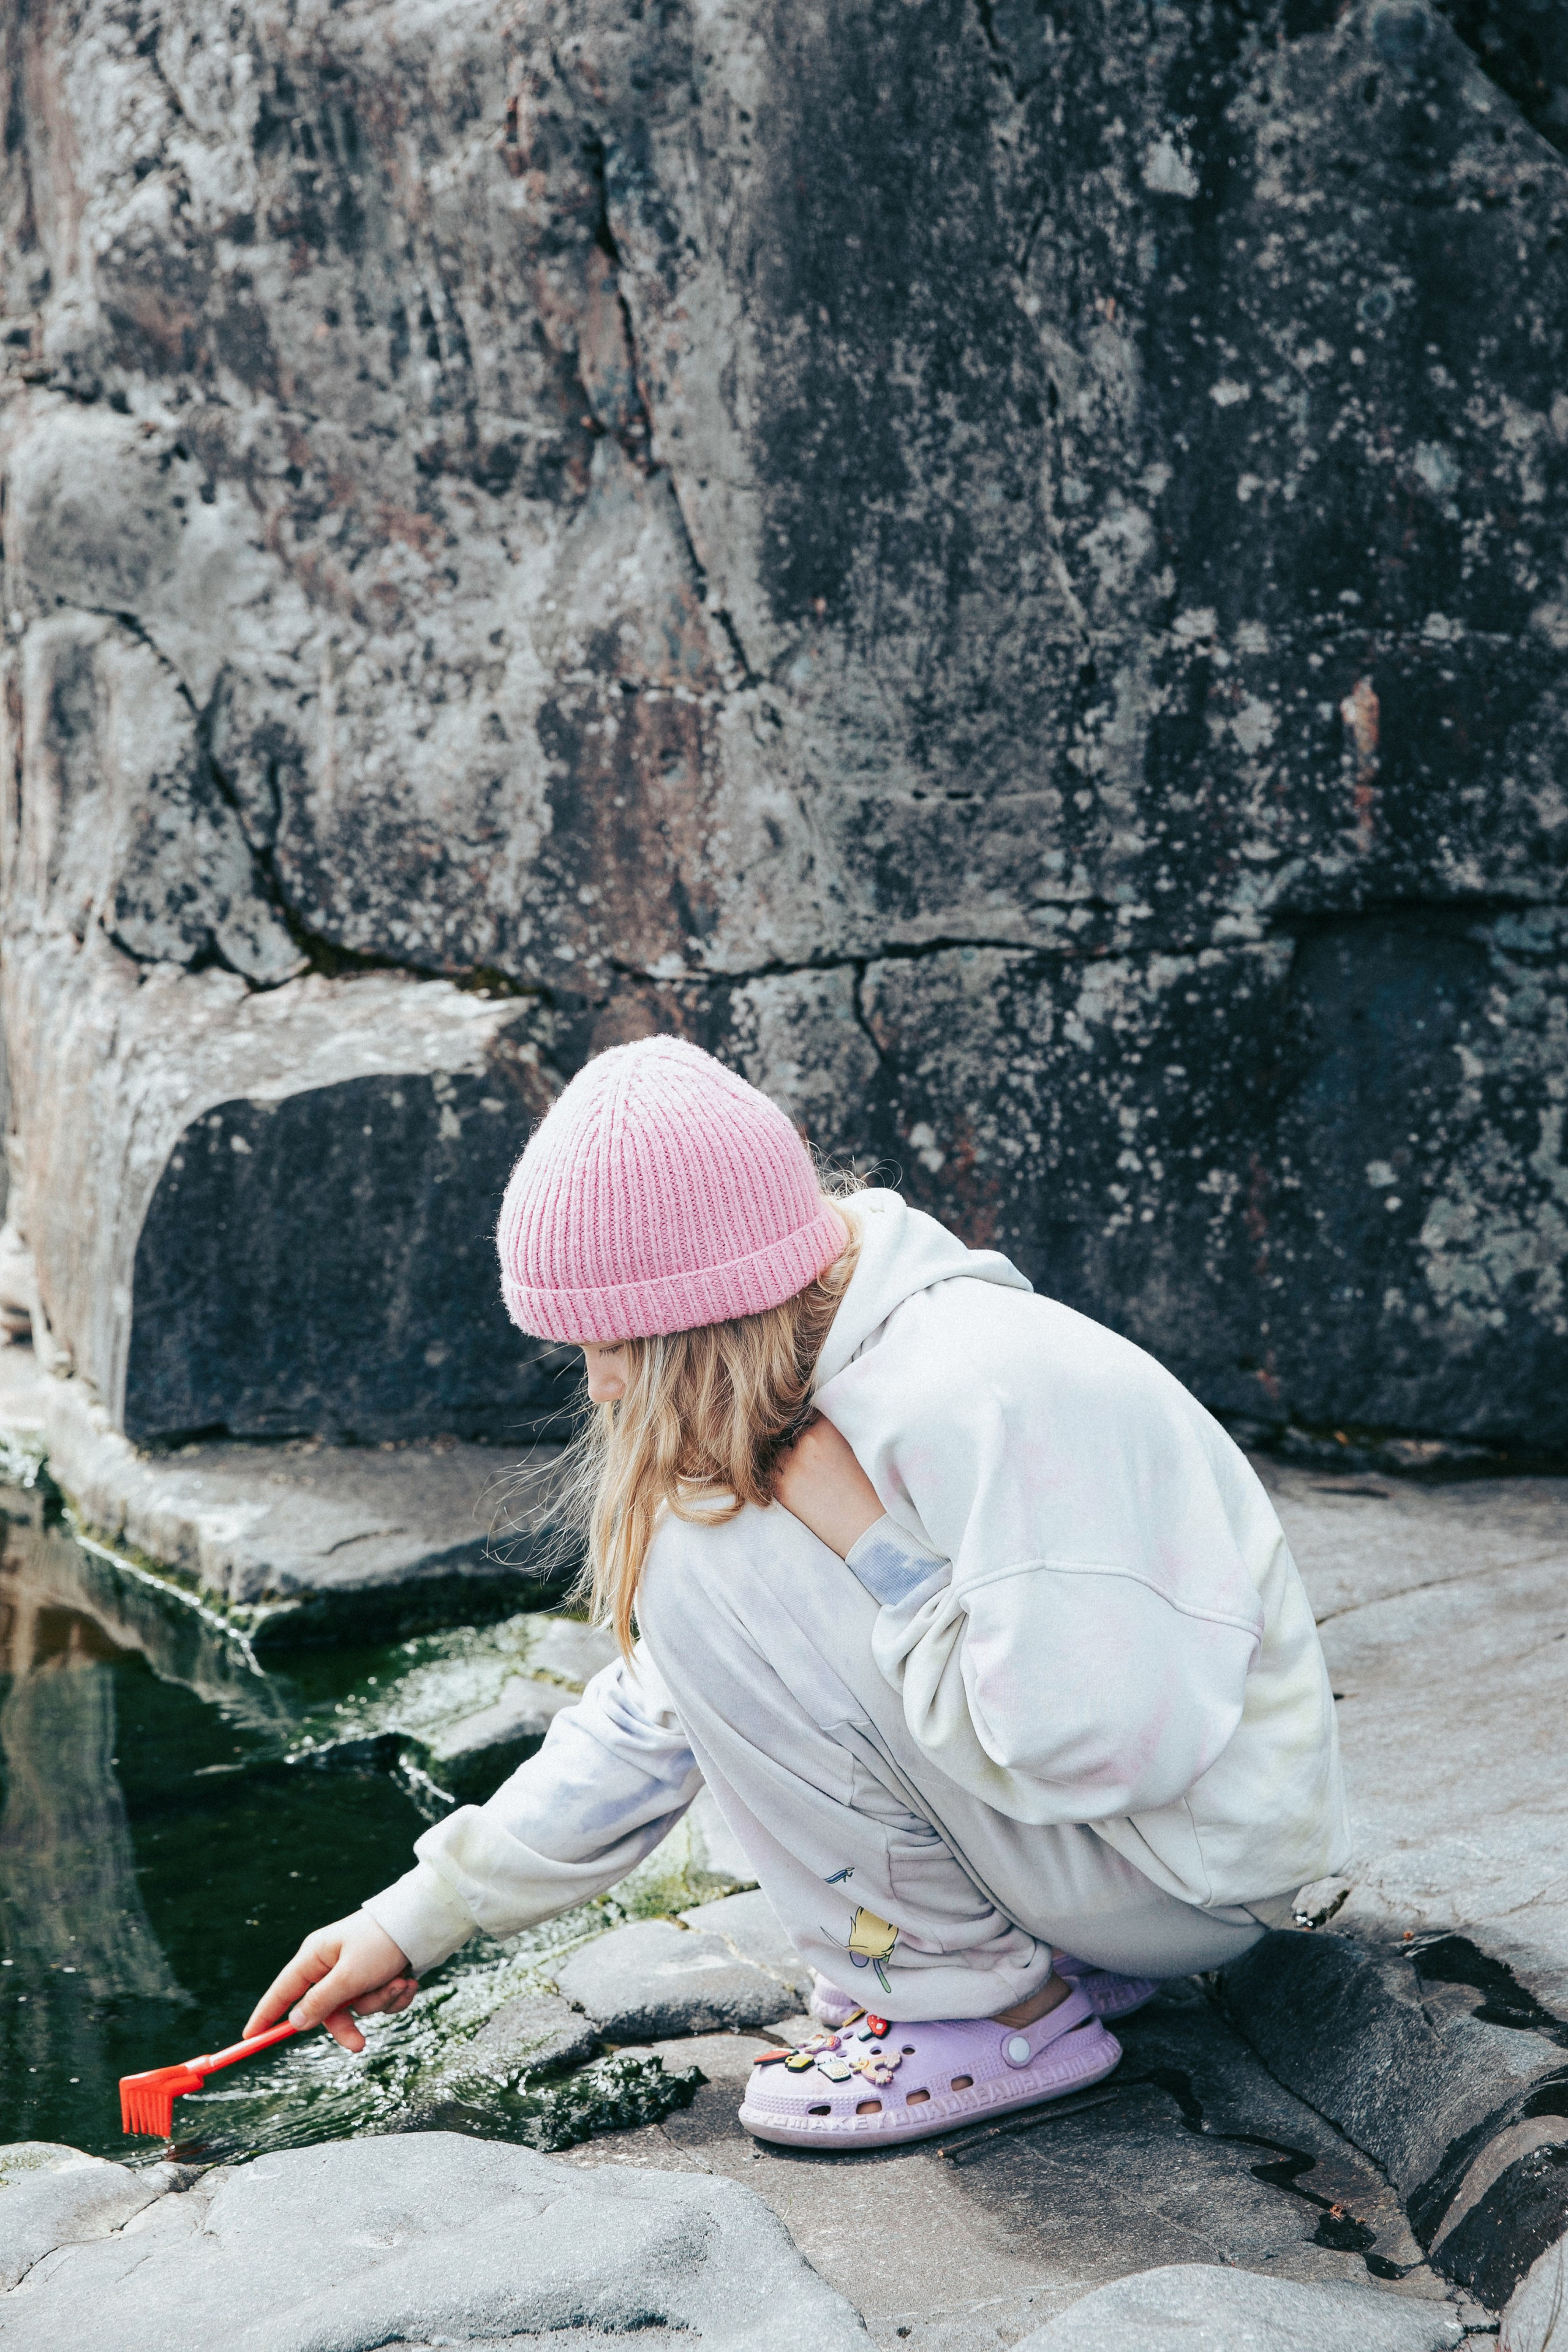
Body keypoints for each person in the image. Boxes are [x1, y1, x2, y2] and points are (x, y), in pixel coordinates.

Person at [247, 1036, 1349, 2149]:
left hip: (1182, 1875)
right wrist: (418, 1916)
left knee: (689, 1554)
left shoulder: (978, 1392)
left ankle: (983, 2010)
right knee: (693, 1556)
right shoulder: (814, 1380)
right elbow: (665, 1709)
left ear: (705, 1309)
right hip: (1100, 1863)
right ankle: (984, 1958)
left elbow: (1097, 1743)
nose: (602, 1383)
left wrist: (876, 1548)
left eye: (615, 1341)